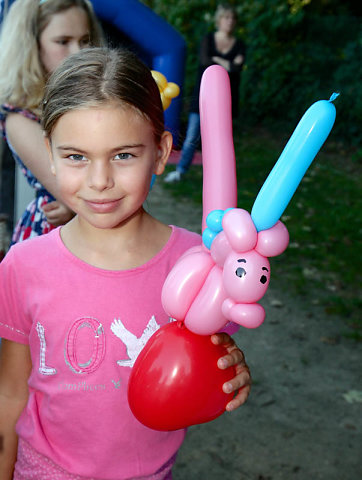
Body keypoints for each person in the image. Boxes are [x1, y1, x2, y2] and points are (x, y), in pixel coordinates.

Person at [0, 47, 251, 480]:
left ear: (160, 151)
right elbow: (9, 391)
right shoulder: (23, 265)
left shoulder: (199, 266)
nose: (100, 181)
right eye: (77, 156)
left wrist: (230, 371)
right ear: (51, 154)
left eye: (124, 155)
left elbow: (208, 363)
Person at [0, 0, 103, 246]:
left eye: (85, 40)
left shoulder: (92, 99)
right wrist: (74, 206)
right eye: (63, 42)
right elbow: (79, 193)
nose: (79, 53)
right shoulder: (20, 117)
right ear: (31, 46)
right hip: (53, 238)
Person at [164, 4, 245, 183]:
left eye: (232, 18)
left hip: (226, 100)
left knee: (222, 140)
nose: (230, 22)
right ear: (219, 20)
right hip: (203, 98)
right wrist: (228, 64)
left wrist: (217, 60)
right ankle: (180, 171)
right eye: (226, 18)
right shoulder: (208, 39)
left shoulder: (239, 44)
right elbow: (206, 61)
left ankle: (219, 178)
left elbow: (238, 68)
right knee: (192, 136)